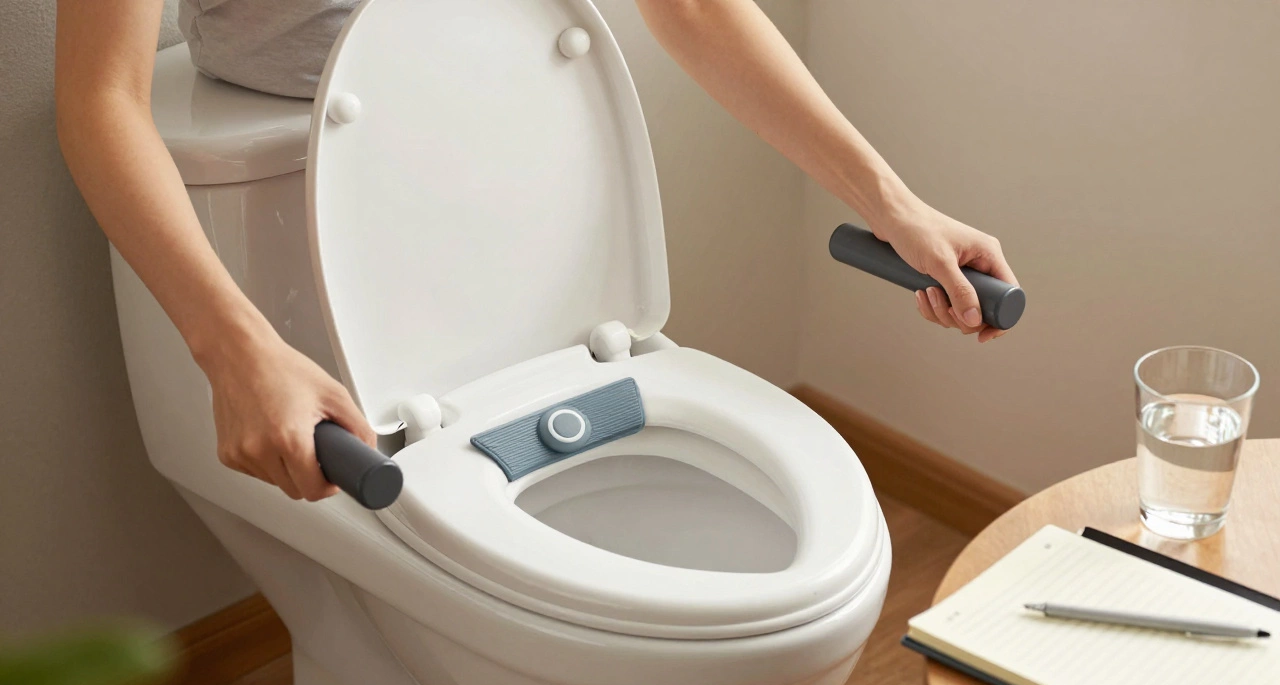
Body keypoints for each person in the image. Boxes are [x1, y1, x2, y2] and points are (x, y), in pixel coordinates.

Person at [54, 0, 1019, 503]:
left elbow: (687, 9)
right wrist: (238, 349)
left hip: (505, 155)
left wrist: (894, 205)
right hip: (297, 209)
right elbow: (103, 98)